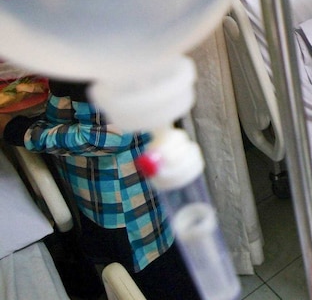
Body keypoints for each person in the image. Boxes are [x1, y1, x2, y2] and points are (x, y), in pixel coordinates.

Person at [0, 79, 200, 300]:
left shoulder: (88, 63)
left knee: (154, 275)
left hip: (122, 200)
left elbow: (107, 138)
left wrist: (24, 132)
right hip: (117, 188)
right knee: (155, 267)